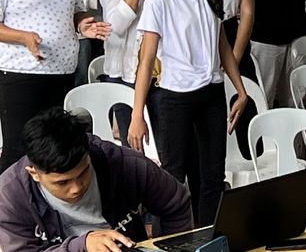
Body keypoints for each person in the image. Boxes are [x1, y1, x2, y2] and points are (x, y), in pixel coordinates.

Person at [127, 0, 250, 225]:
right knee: (172, 177)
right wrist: (137, 113)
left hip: (212, 93)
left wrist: (240, 89)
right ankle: (169, 240)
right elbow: (147, 60)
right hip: (175, 96)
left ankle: (210, 237)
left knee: (212, 176)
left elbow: (222, 45)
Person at [0, 0, 111, 172]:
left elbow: (76, 10)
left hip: (63, 71)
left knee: (52, 150)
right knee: (19, 150)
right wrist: (24, 37)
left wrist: (83, 25)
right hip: (21, 73)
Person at [0, 108, 193, 252]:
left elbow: (176, 203)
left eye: (83, 173)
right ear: (34, 173)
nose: (76, 188)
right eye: (62, 183)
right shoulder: (10, 196)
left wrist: (168, 248)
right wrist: (82, 245)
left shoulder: (124, 164)